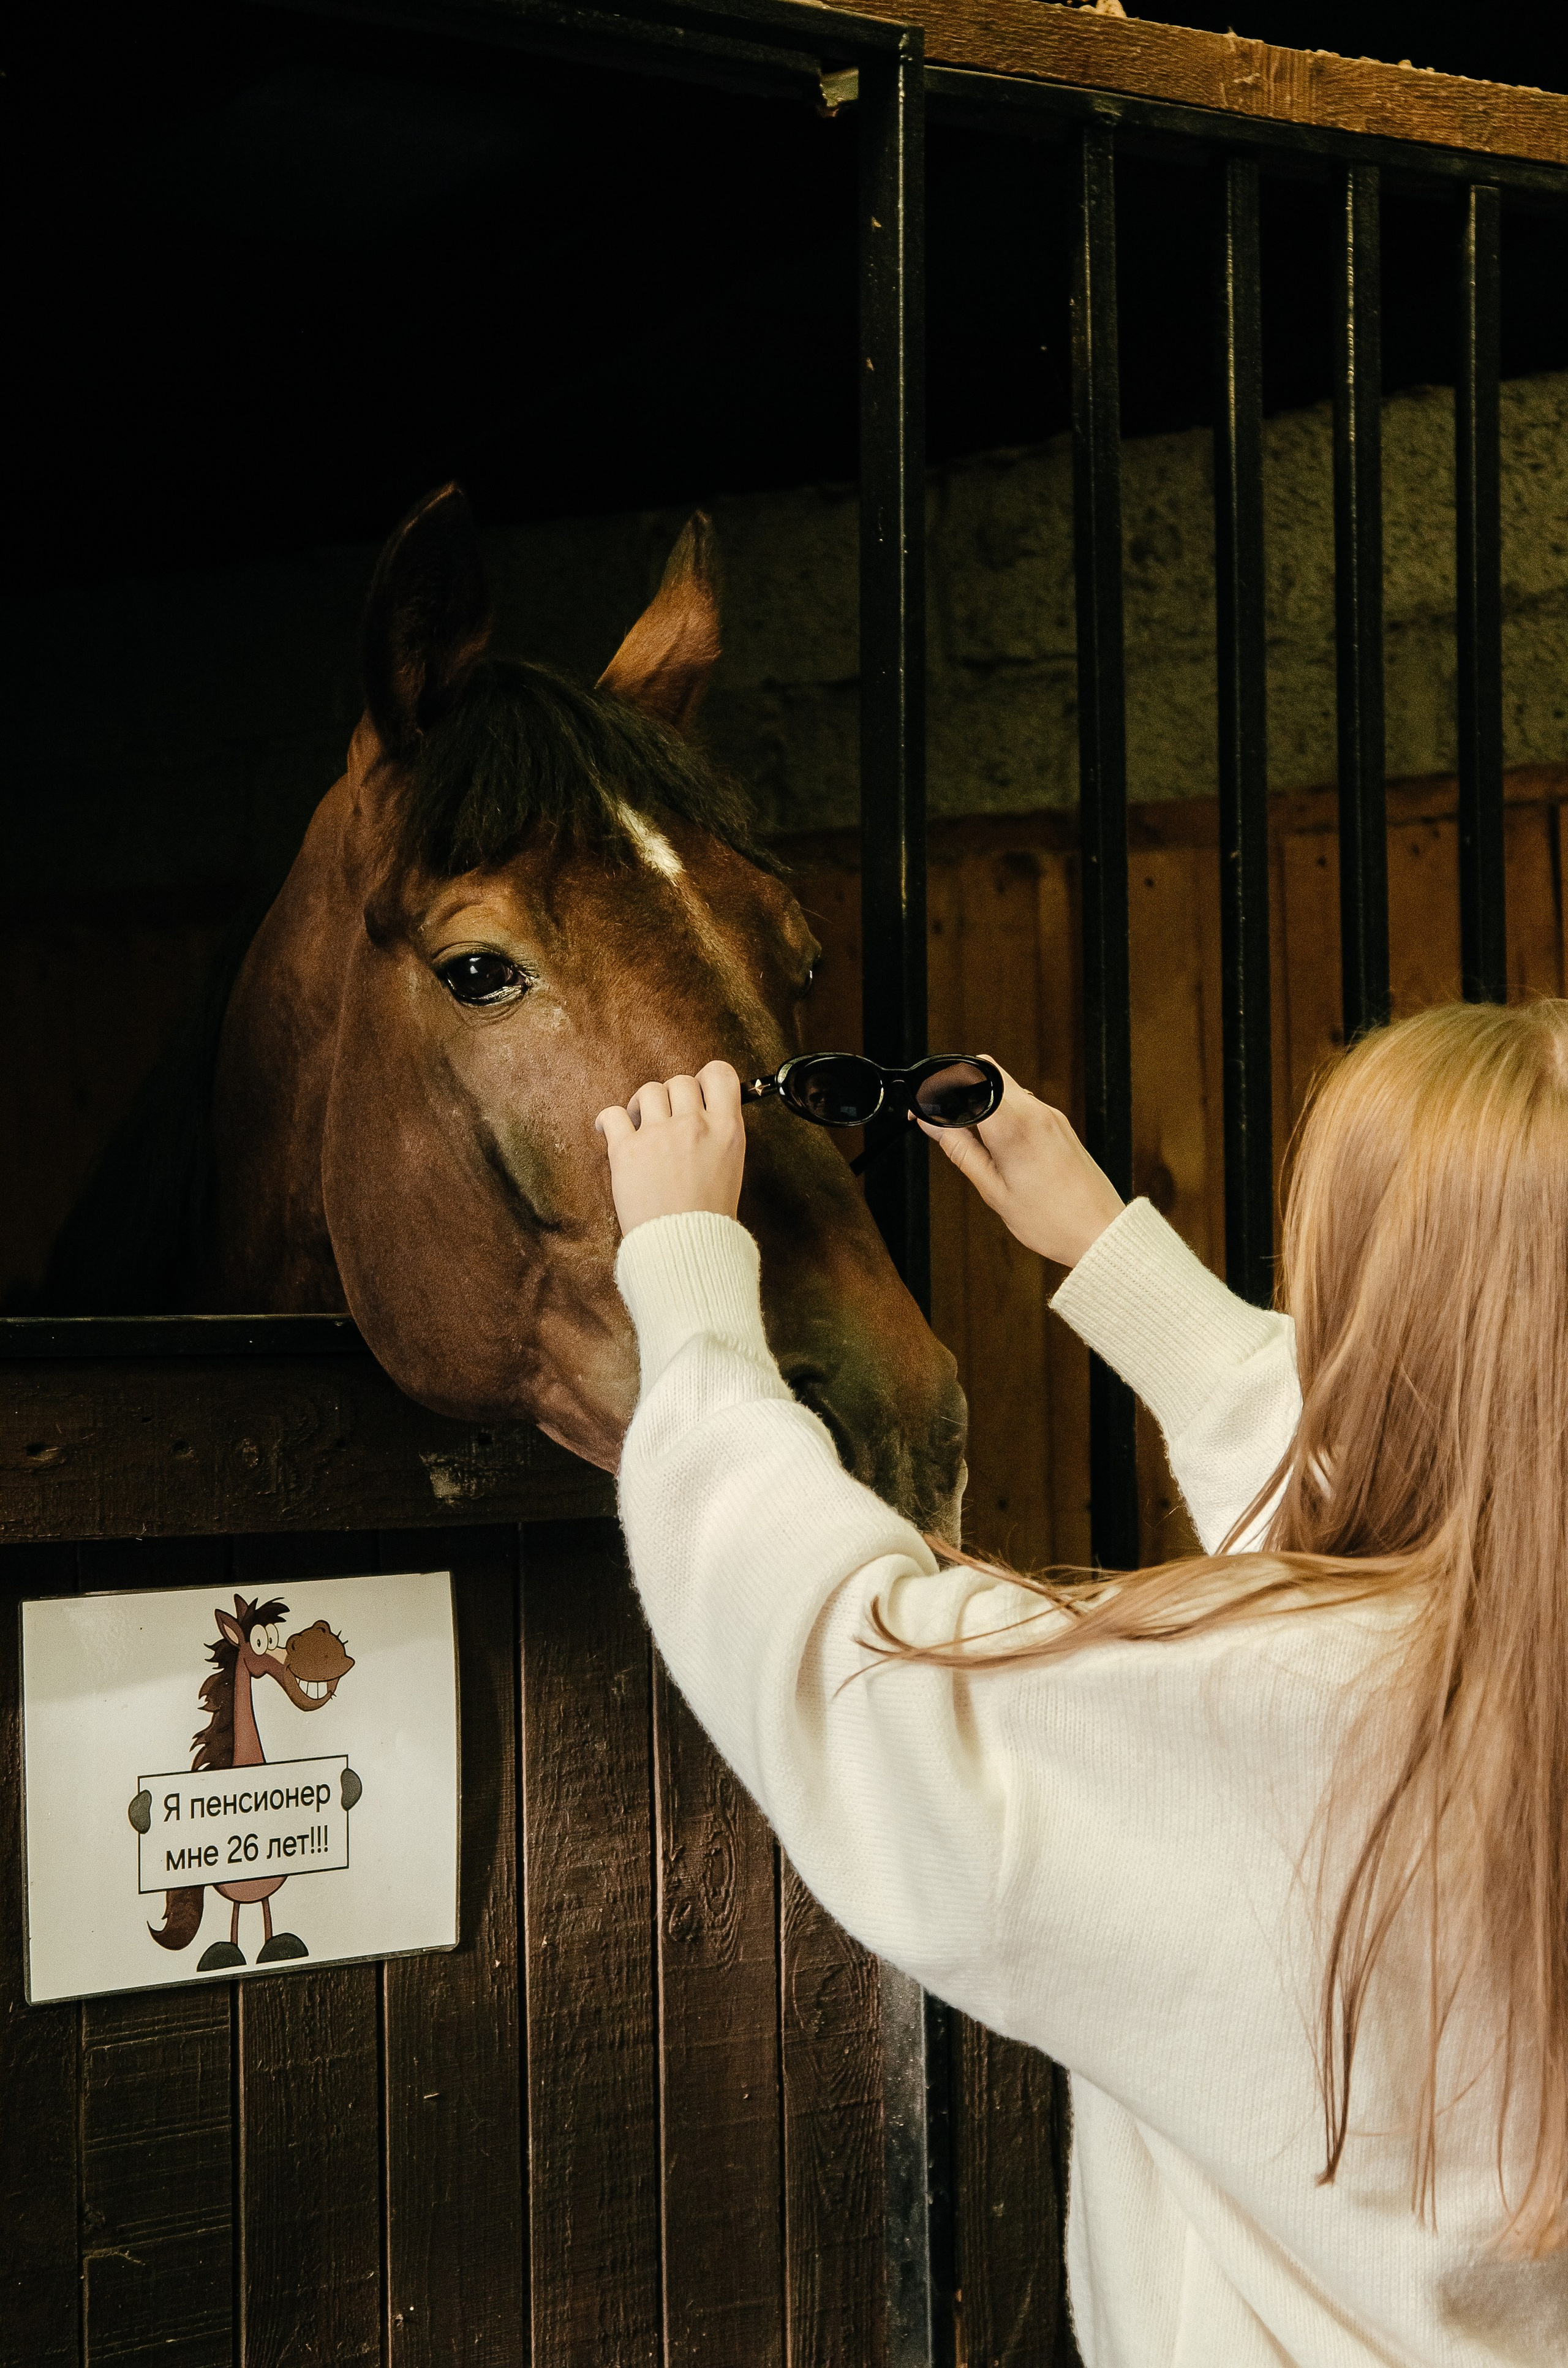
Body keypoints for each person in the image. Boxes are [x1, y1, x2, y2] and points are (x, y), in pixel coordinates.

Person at [595, 999, 1568, 2367]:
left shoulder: (1265, 1702)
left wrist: (687, 1286)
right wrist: (1110, 1252)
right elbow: (1476, 1459)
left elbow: (846, 1662)